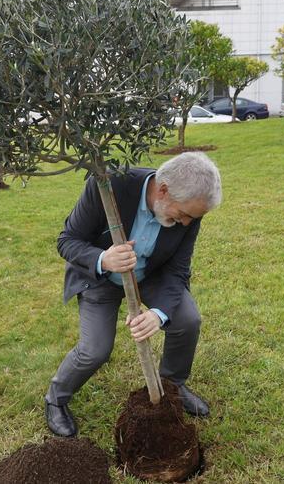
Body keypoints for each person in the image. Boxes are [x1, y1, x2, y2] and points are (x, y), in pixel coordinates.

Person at [44, 152, 223, 438]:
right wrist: (104, 258)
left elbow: (178, 270)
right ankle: (56, 397)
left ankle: (173, 388)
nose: (187, 223)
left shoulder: (191, 210)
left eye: (194, 218)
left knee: (187, 321)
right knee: (95, 350)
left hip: (151, 274)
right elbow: (67, 241)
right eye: (186, 215)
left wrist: (158, 313)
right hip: (100, 278)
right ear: (163, 190)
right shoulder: (108, 185)